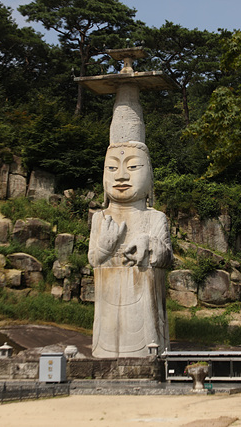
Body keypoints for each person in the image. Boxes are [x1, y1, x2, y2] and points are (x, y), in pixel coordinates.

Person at [88, 141, 172, 358]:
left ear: (149, 176)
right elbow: (93, 259)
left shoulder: (155, 217)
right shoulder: (100, 218)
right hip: (108, 310)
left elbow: (167, 258)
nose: (121, 176)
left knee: (149, 350)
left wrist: (149, 243)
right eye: (112, 168)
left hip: (143, 310)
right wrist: (104, 247)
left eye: (133, 167)